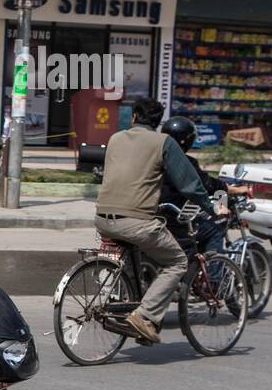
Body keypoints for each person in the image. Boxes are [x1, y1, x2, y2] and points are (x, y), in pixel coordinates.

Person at [96, 99, 219, 344]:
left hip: (102, 218)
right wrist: (210, 207)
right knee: (176, 262)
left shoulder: (115, 138)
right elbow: (189, 184)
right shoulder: (163, 142)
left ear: (133, 118)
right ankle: (144, 316)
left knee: (134, 259)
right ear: (157, 122)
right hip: (136, 221)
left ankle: (130, 312)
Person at [159, 116, 250, 254]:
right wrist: (236, 190)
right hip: (175, 221)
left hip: (153, 216)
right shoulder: (185, 162)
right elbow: (205, 185)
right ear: (188, 140)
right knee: (215, 231)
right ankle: (215, 275)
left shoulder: (155, 158)